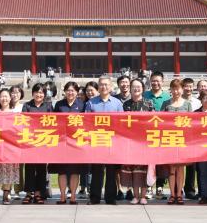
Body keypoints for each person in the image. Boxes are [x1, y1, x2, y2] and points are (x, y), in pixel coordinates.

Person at [84, 75, 123, 205]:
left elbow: (122, 123)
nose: (103, 87)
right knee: (97, 171)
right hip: (96, 141)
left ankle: (110, 198)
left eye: (106, 84)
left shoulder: (117, 103)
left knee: (111, 171)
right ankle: (94, 198)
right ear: (98, 87)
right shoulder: (91, 103)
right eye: (101, 84)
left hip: (112, 142)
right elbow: (86, 122)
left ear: (111, 87)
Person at [121, 79, 154, 204]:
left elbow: (154, 121)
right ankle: (135, 196)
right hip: (130, 142)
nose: (136, 89)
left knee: (144, 170)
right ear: (130, 89)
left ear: (143, 89)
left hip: (145, 141)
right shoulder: (126, 104)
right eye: (133, 87)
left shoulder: (149, 103)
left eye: (139, 86)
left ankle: (143, 196)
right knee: (133, 170)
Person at [52, 82, 85, 204]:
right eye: (68, 90)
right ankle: (62, 196)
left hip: (76, 142)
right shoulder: (59, 104)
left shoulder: (82, 105)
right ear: (65, 92)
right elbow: (53, 121)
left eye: (73, 90)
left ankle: (73, 196)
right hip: (62, 142)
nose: (70, 93)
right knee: (62, 171)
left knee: (75, 170)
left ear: (77, 92)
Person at [159, 79, 191, 204]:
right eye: (173, 89)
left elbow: (191, 122)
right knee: (171, 168)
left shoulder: (187, 104)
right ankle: (172, 194)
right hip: (170, 139)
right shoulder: (166, 103)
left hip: (183, 140)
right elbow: (160, 120)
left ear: (182, 89)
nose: (176, 91)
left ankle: (179, 194)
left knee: (181, 168)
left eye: (178, 88)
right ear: (170, 90)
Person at [21, 83, 53, 204]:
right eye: (37, 92)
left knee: (41, 169)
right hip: (29, 142)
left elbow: (52, 122)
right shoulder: (27, 105)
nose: (39, 95)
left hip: (43, 141)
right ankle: (29, 193)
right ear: (33, 93)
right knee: (29, 168)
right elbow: (23, 121)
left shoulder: (48, 106)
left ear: (44, 94)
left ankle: (39, 193)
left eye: (41, 92)